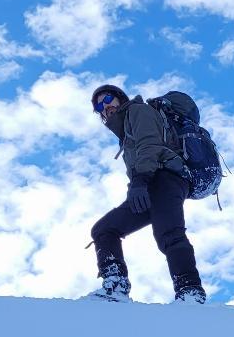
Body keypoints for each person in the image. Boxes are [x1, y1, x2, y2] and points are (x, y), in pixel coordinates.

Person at [85, 84, 206, 303]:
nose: (105, 107)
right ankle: (116, 285)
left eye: (108, 99)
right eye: (99, 106)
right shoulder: (125, 130)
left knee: (169, 234)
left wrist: (139, 181)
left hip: (166, 178)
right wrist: (139, 184)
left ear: (120, 98)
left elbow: (150, 145)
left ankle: (190, 291)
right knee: (104, 229)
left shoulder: (137, 111)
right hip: (149, 183)